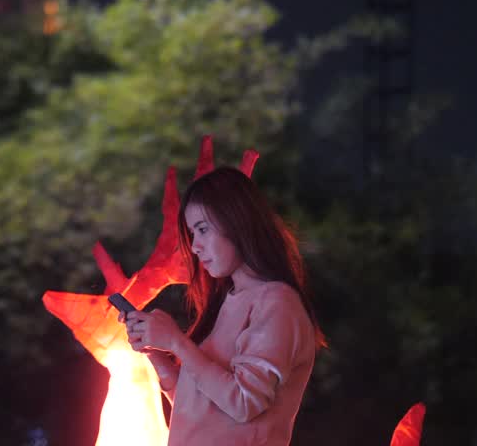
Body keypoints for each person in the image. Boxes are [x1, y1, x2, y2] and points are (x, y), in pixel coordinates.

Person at [121, 166, 326, 446]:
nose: (195, 247)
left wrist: (178, 343)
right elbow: (198, 402)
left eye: (203, 229)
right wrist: (154, 349)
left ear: (238, 222)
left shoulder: (277, 303)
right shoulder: (229, 300)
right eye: (193, 234)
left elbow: (244, 403)